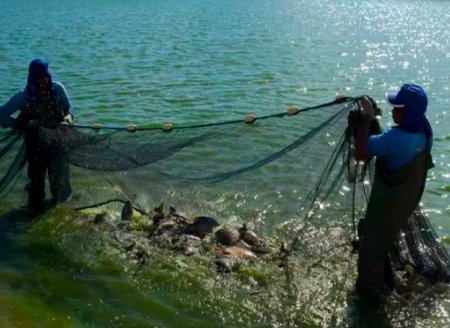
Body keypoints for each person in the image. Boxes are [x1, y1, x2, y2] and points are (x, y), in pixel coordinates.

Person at [354, 84, 434, 297]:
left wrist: (367, 119)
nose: (392, 111)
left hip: (387, 207)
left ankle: (371, 300)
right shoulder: (424, 130)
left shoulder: (396, 139)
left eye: (397, 108)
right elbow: (390, 144)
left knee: (370, 252)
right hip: (406, 202)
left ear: (409, 113)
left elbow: (360, 152)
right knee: (384, 238)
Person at [0, 58, 74, 212]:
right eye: (39, 79)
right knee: (36, 185)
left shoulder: (57, 89)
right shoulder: (23, 96)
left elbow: (68, 110)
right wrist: (20, 125)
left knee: (60, 183)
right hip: (35, 146)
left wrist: (68, 120)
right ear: (32, 79)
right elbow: (2, 114)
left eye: (45, 78)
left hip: (57, 142)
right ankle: (34, 211)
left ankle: (62, 211)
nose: (43, 82)